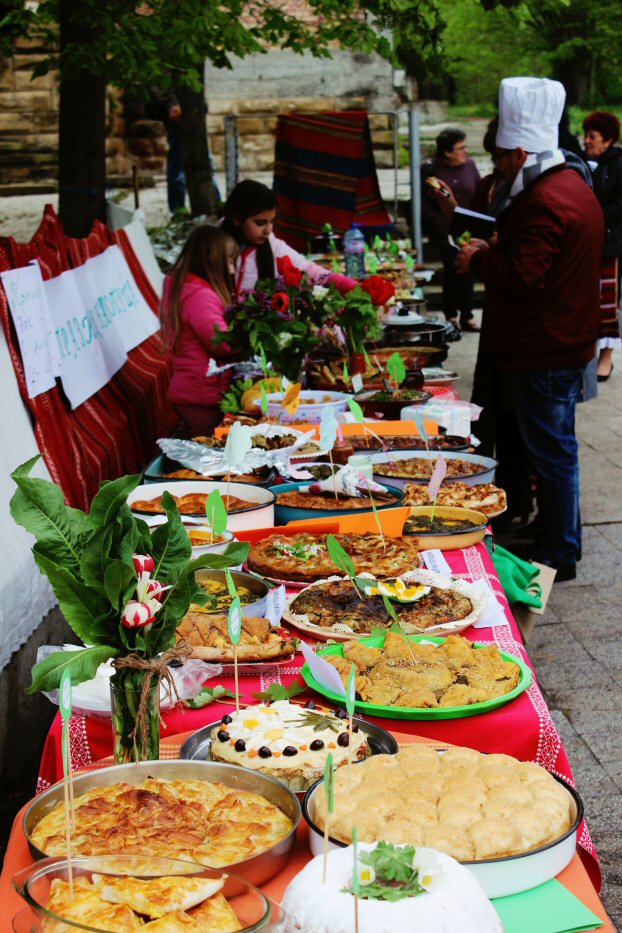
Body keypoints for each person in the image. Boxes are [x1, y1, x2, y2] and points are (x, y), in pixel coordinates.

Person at [456, 76, 604, 582]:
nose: (495, 165)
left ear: (519, 153)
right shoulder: (567, 183)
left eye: (499, 156)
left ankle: (561, 550)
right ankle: (557, 538)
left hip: (546, 347)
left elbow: (524, 276)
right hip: (558, 340)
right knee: (556, 451)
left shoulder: (545, 198)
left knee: (554, 454)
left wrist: (480, 259)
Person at [161, 225, 238, 437]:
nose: (232, 270)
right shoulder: (200, 296)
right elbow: (221, 342)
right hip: (201, 393)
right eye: (229, 262)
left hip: (196, 389)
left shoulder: (186, 287)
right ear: (213, 260)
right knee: (203, 452)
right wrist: (248, 338)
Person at [220, 180, 356, 298]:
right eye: (260, 223)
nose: (268, 230)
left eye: (272, 221)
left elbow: (308, 270)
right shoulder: (213, 247)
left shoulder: (272, 245)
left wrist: (349, 285)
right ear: (237, 219)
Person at [421, 128, 481, 333]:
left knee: (470, 269)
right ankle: (451, 314)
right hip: (445, 229)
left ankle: (467, 315)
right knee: (453, 269)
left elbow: (479, 191)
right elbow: (424, 201)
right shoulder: (431, 169)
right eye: (460, 148)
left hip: (468, 229)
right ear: (447, 152)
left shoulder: (471, 165)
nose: (465, 151)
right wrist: (436, 222)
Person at [583, 111, 622, 383]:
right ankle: (588, 353)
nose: (586, 141)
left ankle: (606, 358)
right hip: (589, 242)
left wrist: (593, 216)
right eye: (585, 135)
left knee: (608, 302)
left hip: (612, 243)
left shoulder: (619, 163)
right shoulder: (586, 163)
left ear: (608, 140)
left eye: (592, 137)